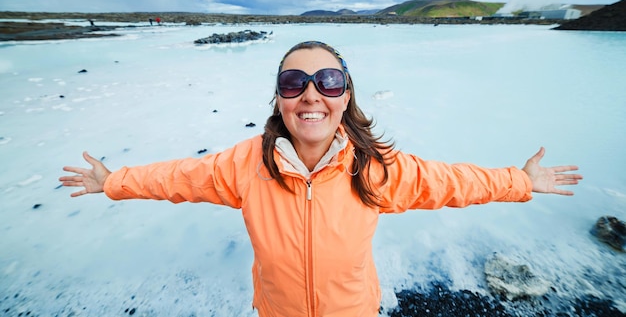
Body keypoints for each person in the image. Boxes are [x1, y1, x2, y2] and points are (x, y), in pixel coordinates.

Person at [59, 41, 582, 317]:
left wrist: (519, 180)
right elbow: (177, 177)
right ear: (280, 99)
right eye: (294, 81)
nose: (311, 94)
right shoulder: (245, 166)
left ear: (345, 96)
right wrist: (114, 181)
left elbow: (448, 182)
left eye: (328, 81)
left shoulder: (374, 169)